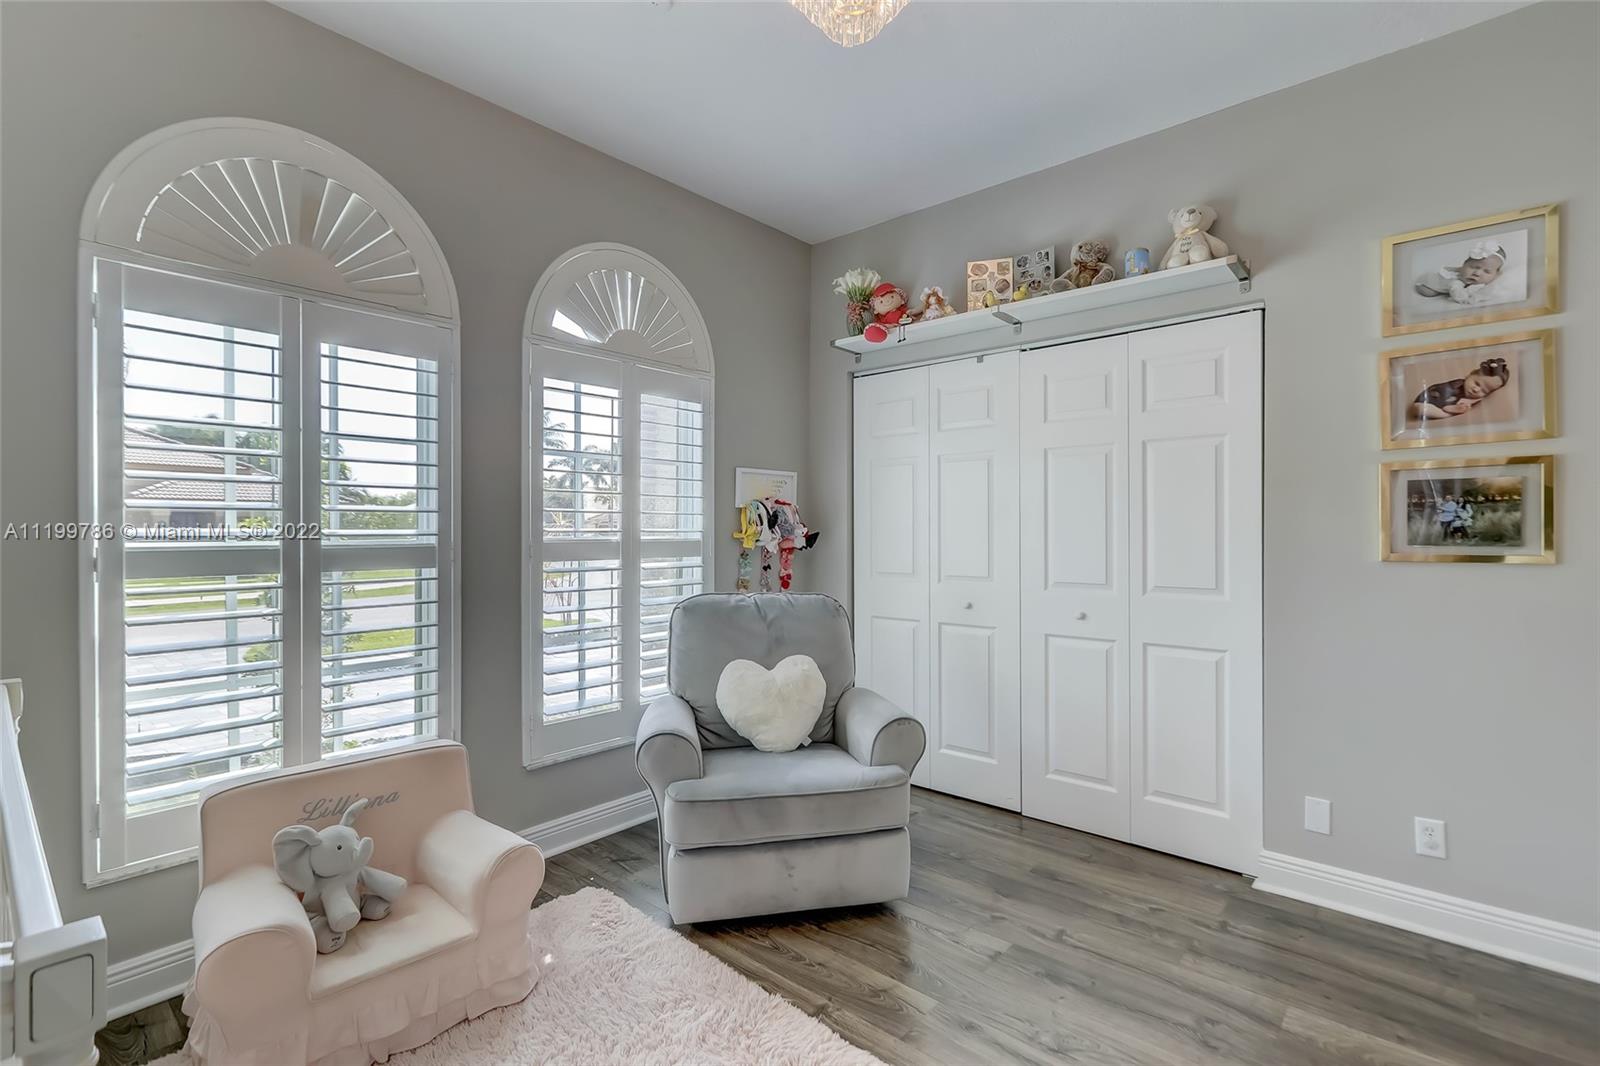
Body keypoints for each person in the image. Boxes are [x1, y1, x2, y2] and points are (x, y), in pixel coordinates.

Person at [1409, 357, 1510, 422]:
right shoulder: (1457, 385)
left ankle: (1446, 411)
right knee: (1418, 408)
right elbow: (1446, 397)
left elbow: (1468, 401)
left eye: (1484, 391)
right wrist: (1451, 407)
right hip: (1427, 401)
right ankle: (1446, 413)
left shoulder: (1471, 396)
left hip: (1438, 406)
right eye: (1476, 383)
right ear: (1469, 375)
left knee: (1422, 409)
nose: (1476, 390)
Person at [1414, 241, 1509, 306]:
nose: (1477, 273)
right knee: (1429, 293)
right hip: (1425, 283)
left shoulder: (1493, 276)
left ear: (1496, 274)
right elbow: (1459, 296)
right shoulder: (1457, 282)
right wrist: (1466, 299)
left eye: (1487, 271)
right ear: (1464, 265)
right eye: (1473, 267)